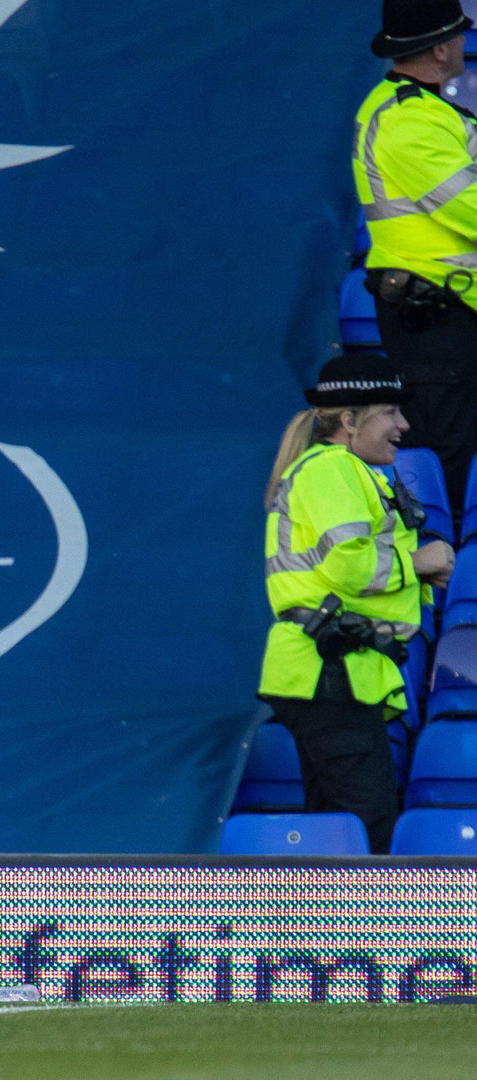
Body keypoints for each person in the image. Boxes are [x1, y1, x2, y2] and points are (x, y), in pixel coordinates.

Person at [259, 351, 453, 853]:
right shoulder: (333, 469)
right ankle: (368, 932)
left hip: (330, 672)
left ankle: (316, 929)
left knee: (336, 827)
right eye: (390, 411)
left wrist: (424, 571)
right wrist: (423, 561)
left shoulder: (343, 471)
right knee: (366, 827)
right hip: (329, 674)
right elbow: (349, 566)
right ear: (348, 421)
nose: (404, 425)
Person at [355, 0, 477, 517]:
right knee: (448, 446)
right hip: (436, 315)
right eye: (459, 38)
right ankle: (443, 565)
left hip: (445, 309)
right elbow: (468, 207)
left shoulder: (420, 110)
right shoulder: (409, 119)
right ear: (441, 46)